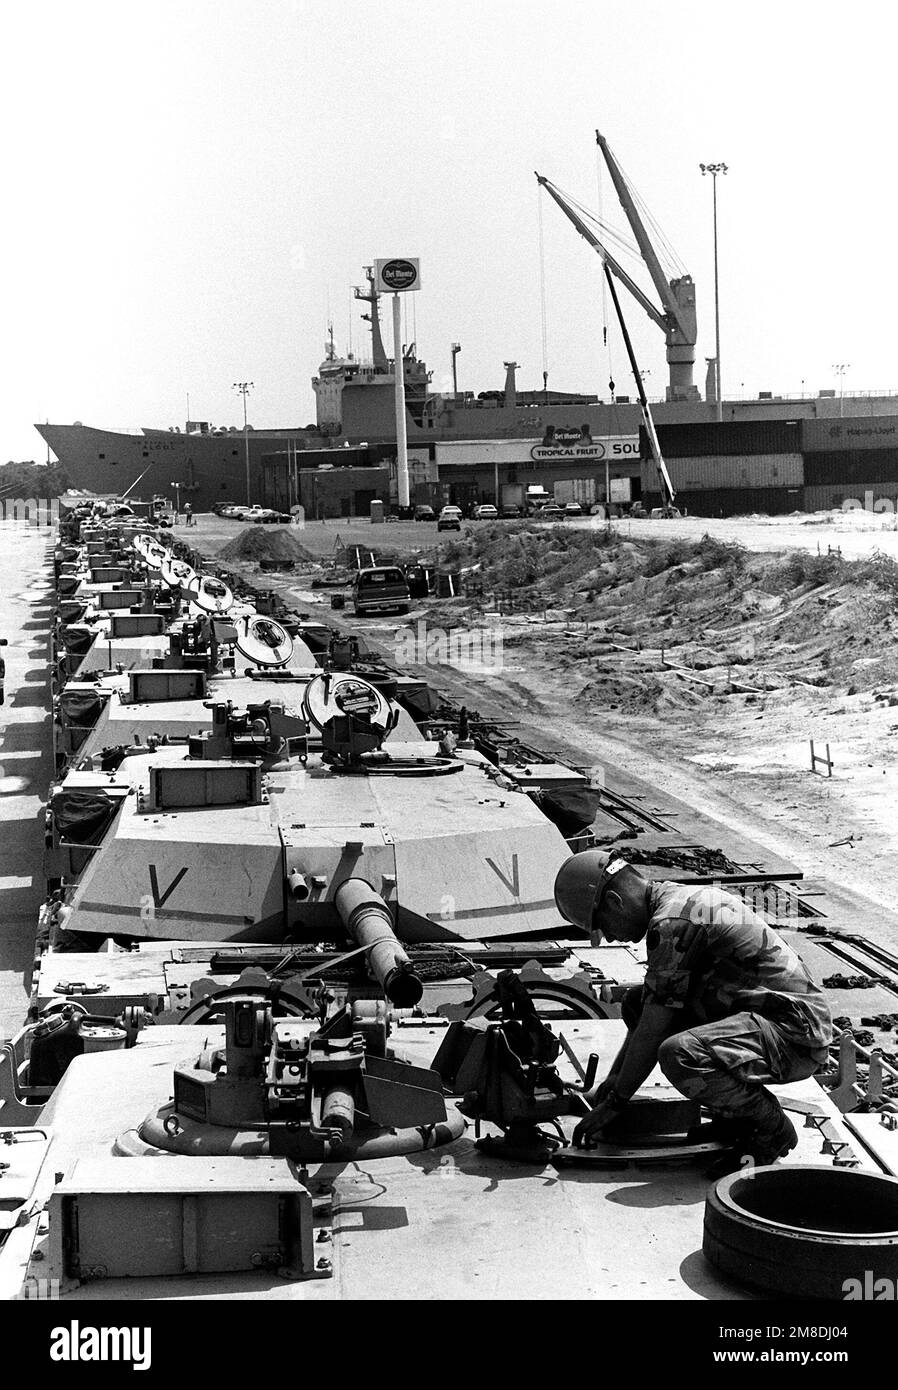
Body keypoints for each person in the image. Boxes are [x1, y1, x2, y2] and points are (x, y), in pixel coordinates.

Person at [553, 850, 833, 1171]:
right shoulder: (676, 898)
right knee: (636, 1001)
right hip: (774, 1019)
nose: (610, 937)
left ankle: (770, 1129)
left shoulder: (672, 923)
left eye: (602, 926)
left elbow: (654, 1028)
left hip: (795, 1037)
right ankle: (736, 1118)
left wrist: (615, 1103)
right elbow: (648, 1010)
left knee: (680, 1055)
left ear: (616, 901)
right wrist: (611, 1088)